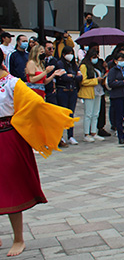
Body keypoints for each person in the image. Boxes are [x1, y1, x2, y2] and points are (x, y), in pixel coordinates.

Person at [0, 49, 77, 257]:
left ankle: (18, 238)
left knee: (11, 188)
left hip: (7, 138)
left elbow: (35, 105)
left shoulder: (12, 83)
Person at [55, 46, 82, 145]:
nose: (70, 55)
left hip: (73, 90)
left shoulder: (74, 65)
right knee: (62, 114)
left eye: (71, 53)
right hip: (63, 90)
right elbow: (64, 77)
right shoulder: (60, 63)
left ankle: (71, 135)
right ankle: (60, 136)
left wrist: (72, 76)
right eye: (68, 53)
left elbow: (80, 77)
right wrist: (72, 77)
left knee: (71, 113)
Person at [78, 48, 106, 143]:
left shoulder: (96, 67)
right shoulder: (84, 66)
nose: (95, 59)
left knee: (95, 113)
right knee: (88, 114)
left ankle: (94, 132)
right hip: (88, 92)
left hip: (97, 91)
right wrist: (95, 80)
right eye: (94, 57)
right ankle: (87, 133)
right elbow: (83, 81)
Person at [43, 41, 59, 105]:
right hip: (41, 86)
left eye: (53, 48)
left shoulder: (55, 61)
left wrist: (54, 86)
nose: (52, 50)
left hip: (50, 88)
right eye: (49, 48)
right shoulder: (40, 60)